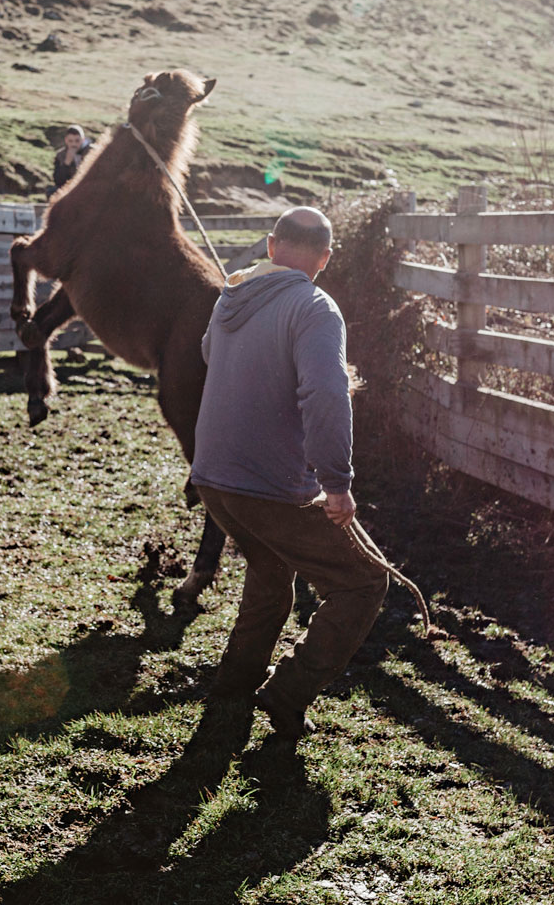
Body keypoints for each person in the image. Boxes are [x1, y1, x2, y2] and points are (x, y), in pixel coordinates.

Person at [190, 206, 391, 741]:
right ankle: (288, 691)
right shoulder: (316, 306)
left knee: (270, 569)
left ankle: (234, 684)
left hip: (212, 477)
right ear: (324, 259)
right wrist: (338, 483)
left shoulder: (230, 296)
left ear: (271, 245)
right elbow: (325, 394)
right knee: (364, 582)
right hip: (268, 484)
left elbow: (211, 354)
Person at [49, 124, 92, 196]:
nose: (74, 144)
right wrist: (66, 163)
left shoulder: (92, 152)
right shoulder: (60, 155)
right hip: (70, 189)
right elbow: (58, 181)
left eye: (77, 141)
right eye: (70, 141)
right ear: (66, 140)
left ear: (83, 139)